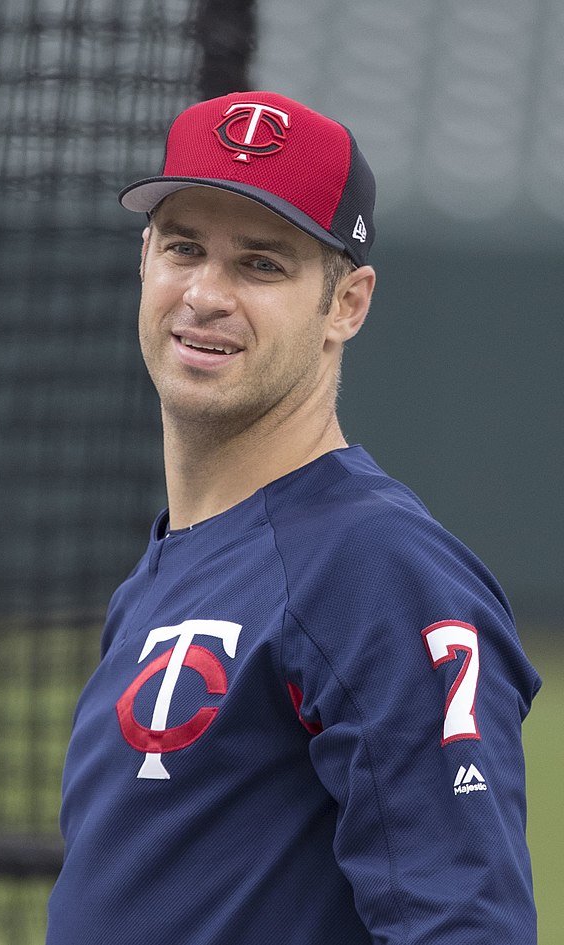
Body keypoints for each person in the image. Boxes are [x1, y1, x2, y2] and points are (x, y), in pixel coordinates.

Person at [46, 91, 541, 944]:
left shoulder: (375, 565)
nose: (205, 293)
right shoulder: (165, 568)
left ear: (346, 303)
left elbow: (464, 924)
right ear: (144, 260)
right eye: (184, 248)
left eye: (261, 264)